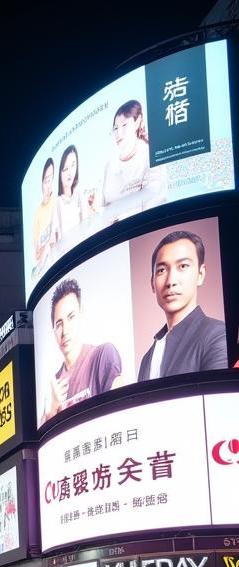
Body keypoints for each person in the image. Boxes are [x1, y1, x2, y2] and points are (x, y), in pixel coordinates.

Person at [137, 230, 228, 381]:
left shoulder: (217, 335)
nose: (171, 280)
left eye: (183, 266)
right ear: (152, 283)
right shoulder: (147, 358)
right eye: (161, 270)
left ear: (200, 274)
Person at [41, 279, 124, 425]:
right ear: (53, 330)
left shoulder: (102, 355)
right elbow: (40, 444)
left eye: (71, 317)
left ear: (81, 315)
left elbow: (122, 411)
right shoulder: (55, 384)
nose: (65, 331)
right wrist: (51, 411)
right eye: (59, 324)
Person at [99, 99, 166, 215]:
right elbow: (103, 208)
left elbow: (153, 204)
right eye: (115, 128)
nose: (119, 133)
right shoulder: (110, 165)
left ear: (137, 121)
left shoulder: (150, 155)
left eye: (124, 125)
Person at [51, 144, 88, 245]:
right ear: (60, 172)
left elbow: (86, 225)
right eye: (65, 168)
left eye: (73, 165)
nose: (70, 172)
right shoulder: (56, 203)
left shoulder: (79, 195)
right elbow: (53, 239)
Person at [31, 157, 56, 281]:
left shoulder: (57, 201)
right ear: (41, 183)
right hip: (45, 271)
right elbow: (36, 253)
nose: (49, 185)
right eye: (46, 181)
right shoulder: (37, 213)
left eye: (51, 179)